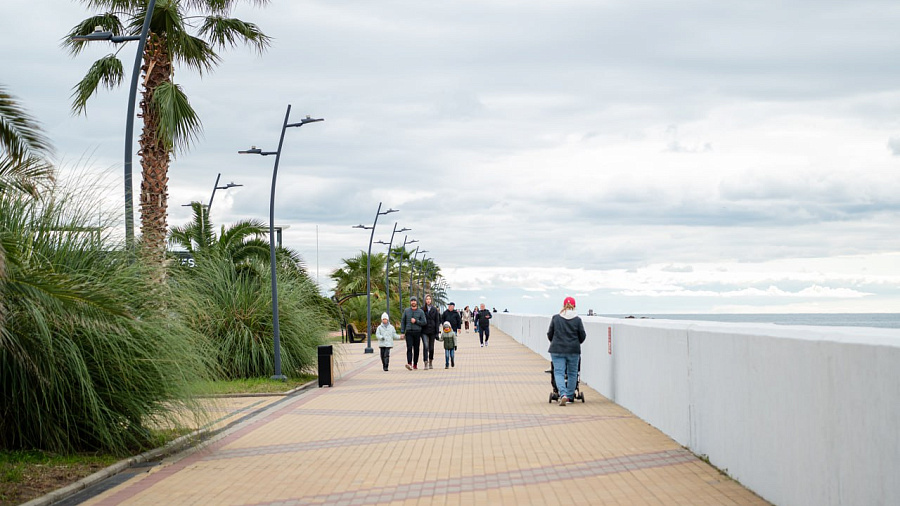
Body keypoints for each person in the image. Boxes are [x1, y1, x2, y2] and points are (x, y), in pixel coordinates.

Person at [547, 296, 586, 406]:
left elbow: (550, 334)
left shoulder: (556, 318)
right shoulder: (577, 320)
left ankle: (562, 394)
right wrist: (575, 343)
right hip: (573, 350)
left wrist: (555, 342)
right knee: (572, 373)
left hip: (557, 349)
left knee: (558, 372)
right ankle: (569, 396)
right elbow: (582, 336)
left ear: (563, 306)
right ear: (574, 306)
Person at [400, 296, 427, 370]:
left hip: (417, 332)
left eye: (414, 301)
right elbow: (403, 321)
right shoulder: (406, 311)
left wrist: (416, 321)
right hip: (408, 332)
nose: (413, 302)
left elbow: (424, 322)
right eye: (412, 301)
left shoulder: (420, 312)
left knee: (416, 349)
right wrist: (402, 332)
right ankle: (409, 363)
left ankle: (415, 364)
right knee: (409, 348)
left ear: (416, 302)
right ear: (410, 302)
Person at [422, 294, 441, 370]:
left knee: (431, 348)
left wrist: (437, 332)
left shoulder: (434, 309)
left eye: (429, 299)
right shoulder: (422, 309)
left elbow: (437, 321)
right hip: (424, 331)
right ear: (425, 300)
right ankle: (425, 362)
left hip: (432, 331)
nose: (428, 300)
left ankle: (430, 361)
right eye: (427, 299)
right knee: (425, 346)